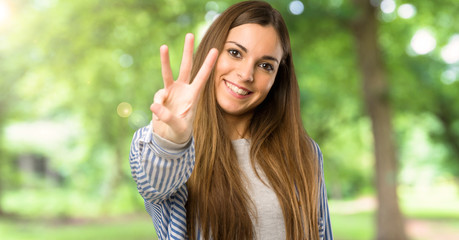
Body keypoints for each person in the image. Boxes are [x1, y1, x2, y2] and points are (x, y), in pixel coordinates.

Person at [129, 1, 333, 239]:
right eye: (235, 53)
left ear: (278, 77)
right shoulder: (161, 146)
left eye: (266, 65)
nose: (246, 75)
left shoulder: (305, 152)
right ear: (211, 52)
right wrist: (172, 144)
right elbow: (156, 183)